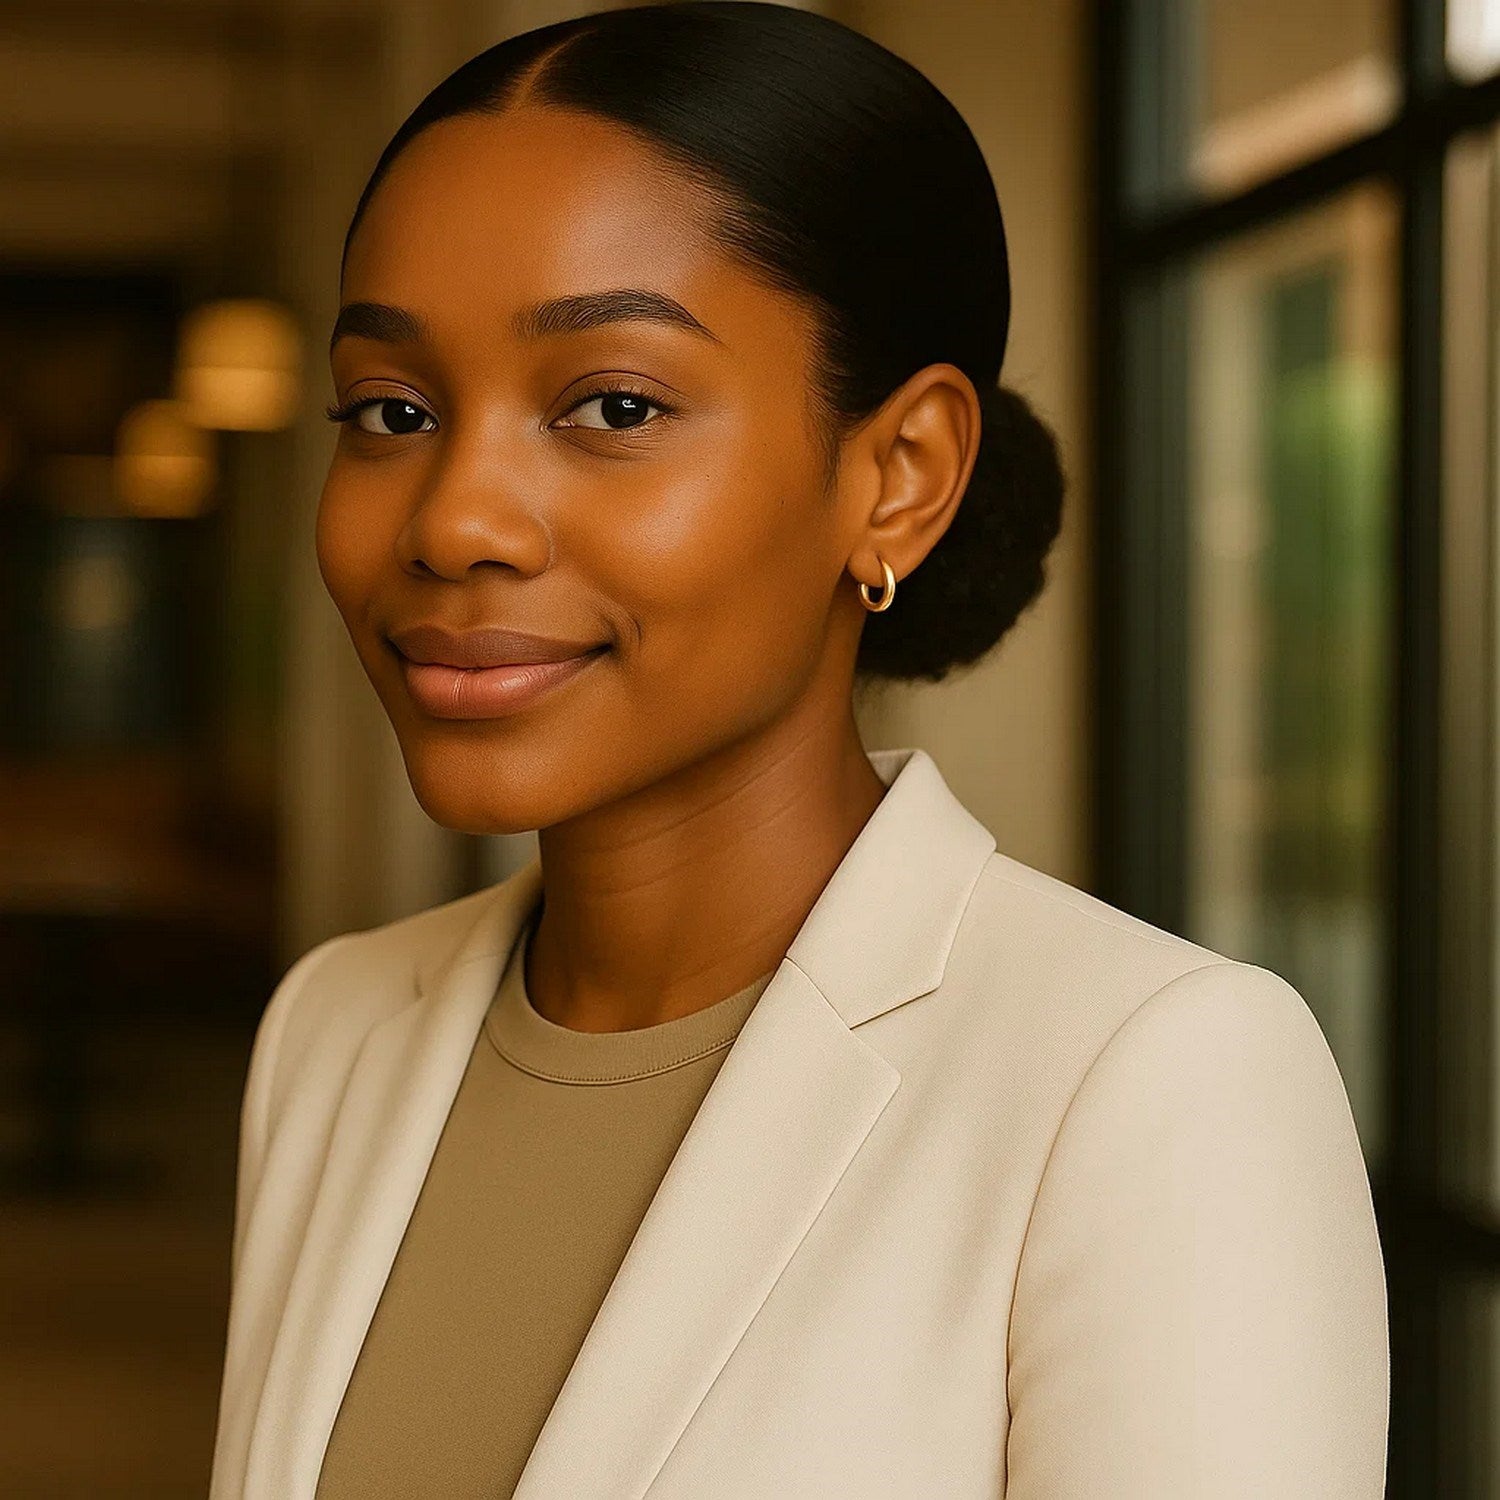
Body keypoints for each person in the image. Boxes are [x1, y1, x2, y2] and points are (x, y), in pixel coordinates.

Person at [208, 5, 1389, 1497]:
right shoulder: (335, 1028)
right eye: (390, 410)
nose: (453, 521)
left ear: (897, 479)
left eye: (614, 406)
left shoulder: (1148, 1084)